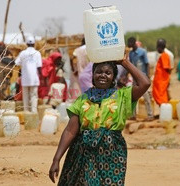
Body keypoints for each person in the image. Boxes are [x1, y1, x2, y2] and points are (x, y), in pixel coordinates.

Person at [49, 51, 151, 185]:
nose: (103, 75)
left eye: (108, 73)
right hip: (83, 154)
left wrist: (124, 62)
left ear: (113, 76)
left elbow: (145, 83)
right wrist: (56, 159)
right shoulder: (83, 99)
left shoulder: (122, 96)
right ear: (93, 75)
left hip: (111, 154)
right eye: (99, 72)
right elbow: (70, 131)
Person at [128, 37, 154, 121]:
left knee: (146, 97)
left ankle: (150, 115)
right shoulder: (131, 54)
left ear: (134, 43)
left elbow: (147, 64)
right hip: (135, 79)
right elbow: (131, 66)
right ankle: (133, 115)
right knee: (133, 97)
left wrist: (148, 76)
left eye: (131, 45)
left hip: (142, 78)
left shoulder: (142, 52)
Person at [15, 36, 42, 112]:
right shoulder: (37, 53)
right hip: (34, 79)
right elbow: (39, 67)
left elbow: (16, 63)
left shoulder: (22, 53)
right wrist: (41, 77)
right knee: (33, 96)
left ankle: (26, 112)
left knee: (26, 96)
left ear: (26, 44)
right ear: (34, 44)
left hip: (25, 79)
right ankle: (33, 112)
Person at [152, 38, 171, 105]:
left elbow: (167, 68)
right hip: (159, 80)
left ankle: (164, 109)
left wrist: (168, 80)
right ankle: (163, 110)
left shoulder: (164, 56)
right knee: (157, 95)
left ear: (159, 47)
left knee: (161, 96)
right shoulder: (162, 55)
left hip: (162, 81)